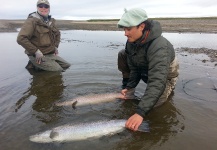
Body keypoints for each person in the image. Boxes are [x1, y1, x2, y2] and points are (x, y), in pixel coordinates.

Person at [117, 8, 179, 131]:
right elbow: (134, 67)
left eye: (128, 29)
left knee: (155, 106)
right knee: (123, 54)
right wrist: (130, 86)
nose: (125, 33)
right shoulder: (131, 42)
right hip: (145, 70)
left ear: (142, 26)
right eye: (124, 29)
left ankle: (168, 89)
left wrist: (140, 113)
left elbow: (157, 80)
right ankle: (127, 88)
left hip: (164, 77)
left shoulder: (160, 46)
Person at [17, 0, 70, 71]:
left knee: (67, 65)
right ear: (37, 7)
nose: (43, 8)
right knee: (58, 70)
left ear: (49, 8)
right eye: (40, 6)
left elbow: (57, 34)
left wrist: (55, 46)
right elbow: (21, 38)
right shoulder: (31, 21)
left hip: (49, 53)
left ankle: (35, 66)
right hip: (37, 55)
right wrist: (36, 52)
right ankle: (35, 65)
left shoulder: (50, 21)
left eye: (46, 6)